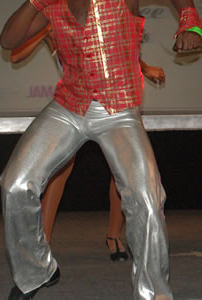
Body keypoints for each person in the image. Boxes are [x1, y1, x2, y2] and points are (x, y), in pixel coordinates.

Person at [0, 0, 202, 300]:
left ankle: (154, 292)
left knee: (145, 197)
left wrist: (190, 22)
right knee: (15, 184)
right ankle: (37, 271)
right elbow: (8, 41)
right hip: (69, 107)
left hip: (119, 112)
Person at [9, 17, 166, 262]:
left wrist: (145, 68)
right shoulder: (52, 22)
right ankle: (44, 242)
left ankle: (114, 235)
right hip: (75, 105)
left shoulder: (99, 15)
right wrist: (47, 29)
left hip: (115, 105)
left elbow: (122, 53)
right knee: (59, 170)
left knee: (123, 172)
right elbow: (15, 56)